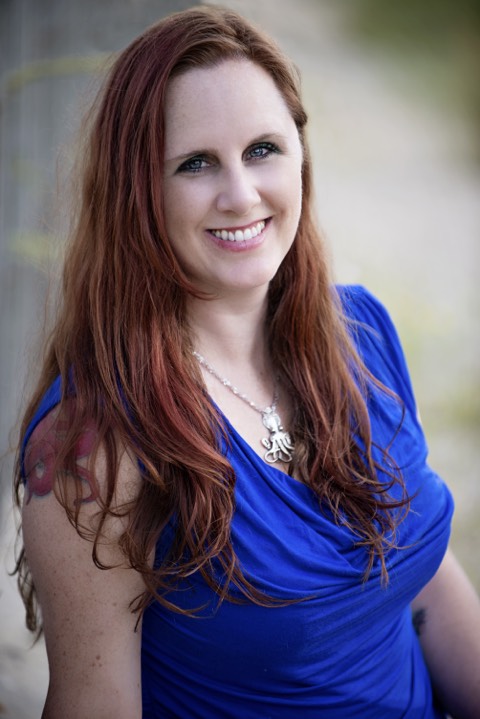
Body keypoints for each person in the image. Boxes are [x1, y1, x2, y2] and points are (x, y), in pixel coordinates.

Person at [13, 5, 480, 718]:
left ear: (300, 155)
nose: (241, 194)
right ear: (137, 193)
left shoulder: (362, 331)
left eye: (263, 149)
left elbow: (425, 576)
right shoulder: (95, 447)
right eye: (196, 163)